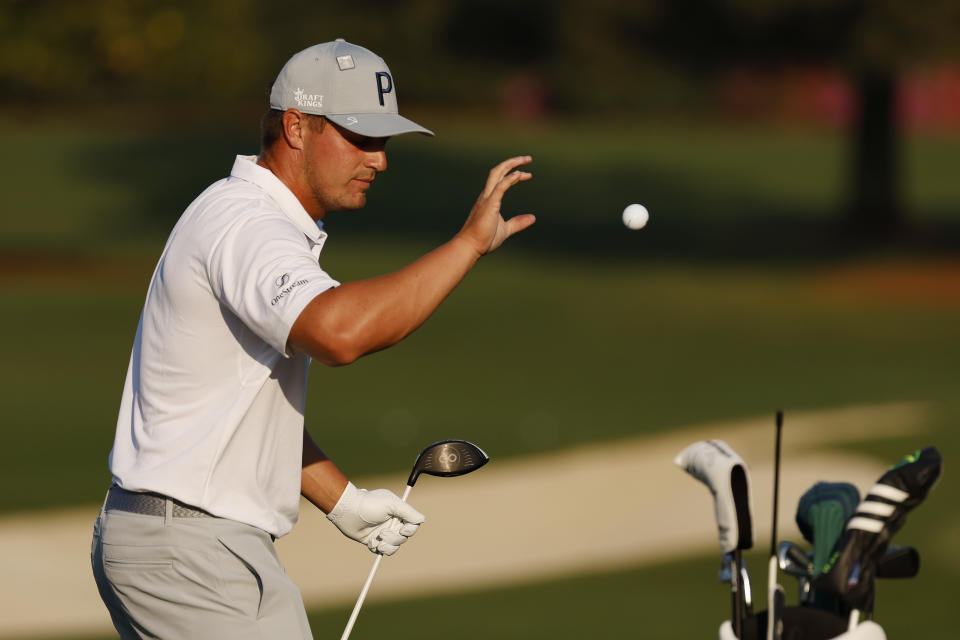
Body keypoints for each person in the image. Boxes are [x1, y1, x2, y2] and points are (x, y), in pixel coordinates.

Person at [90, 39, 535, 639]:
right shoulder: (248, 225)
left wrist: (344, 501)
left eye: (383, 142)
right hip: (190, 552)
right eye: (361, 137)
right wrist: (466, 246)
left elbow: (240, 413)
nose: (379, 161)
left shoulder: (251, 220)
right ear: (296, 127)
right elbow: (339, 333)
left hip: (195, 545)